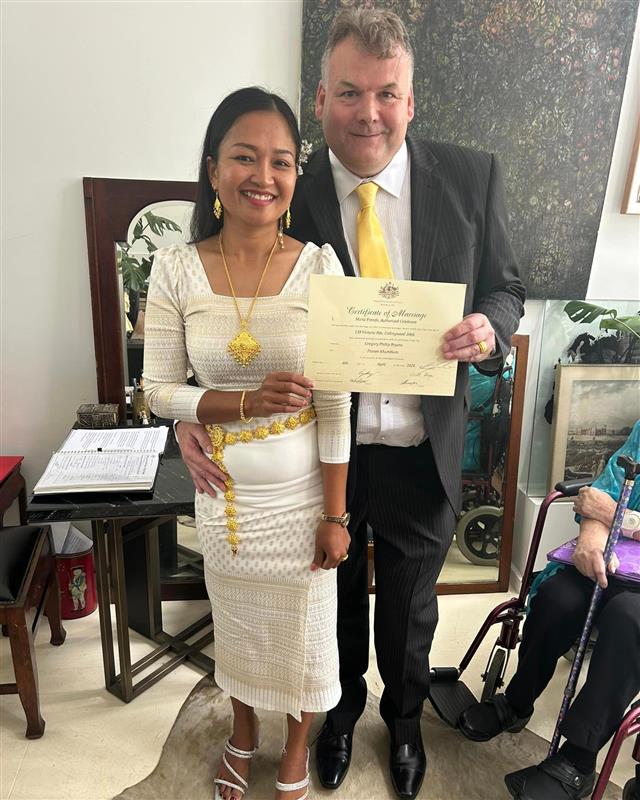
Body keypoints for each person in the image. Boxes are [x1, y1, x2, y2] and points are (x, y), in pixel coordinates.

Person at [174, 9, 525, 799]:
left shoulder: (472, 177)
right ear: (323, 96)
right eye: (351, 93)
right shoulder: (283, 190)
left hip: (420, 443)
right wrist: (189, 412)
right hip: (312, 454)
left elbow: (508, 287)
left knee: (408, 609)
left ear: (411, 100)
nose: (370, 112)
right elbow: (224, 307)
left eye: (387, 93)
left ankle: (403, 726)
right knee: (324, 602)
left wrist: (488, 327)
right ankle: (335, 718)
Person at [143, 86, 352, 800]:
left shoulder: (320, 268)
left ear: (296, 177)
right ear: (212, 170)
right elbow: (156, 389)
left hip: (302, 502)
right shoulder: (175, 268)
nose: (263, 175)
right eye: (244, 157)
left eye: (281, 161)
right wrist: (230, 402)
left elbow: (335, 400)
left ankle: (294, 749)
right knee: (235, 629)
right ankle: (242, 730)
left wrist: (335, 513)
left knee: (302, 632)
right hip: (226, 500)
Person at [459, 420, 640, 800]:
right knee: (559, 597)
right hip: (618, 558)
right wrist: (592, 534)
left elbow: (608, 506)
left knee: (626, 618)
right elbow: (599, 496)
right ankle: (517, 701)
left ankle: (577, 759)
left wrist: (618, 517)